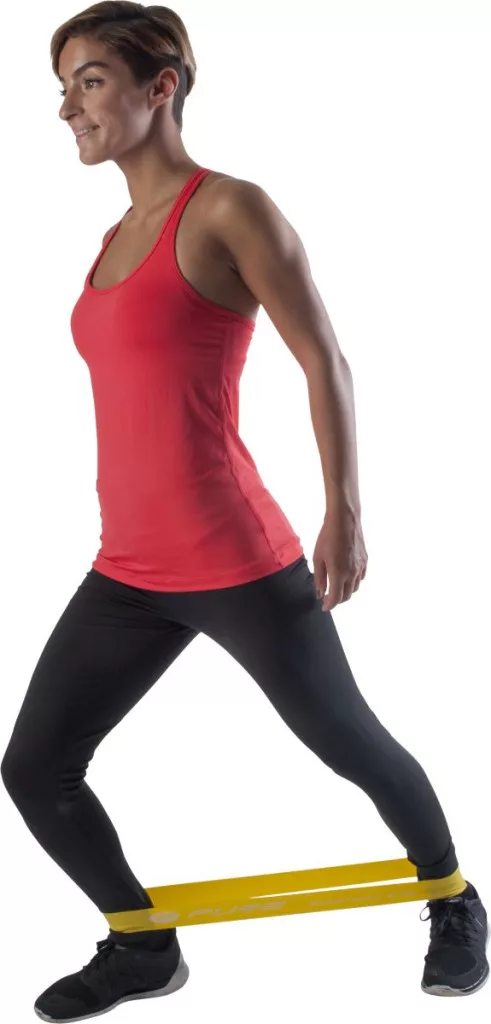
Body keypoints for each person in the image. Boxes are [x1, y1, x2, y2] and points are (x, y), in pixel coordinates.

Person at [2, 3, 488, 1021]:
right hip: (127, 567)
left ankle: (452, 898)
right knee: (36, 767)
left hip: (233, 555)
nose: (67, 107)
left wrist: (342, 510)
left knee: (348, 741)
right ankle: (141, 946)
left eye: (89, 81)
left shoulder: (228, 208)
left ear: (160, 86)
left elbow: (324, 358)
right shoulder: (112, 236)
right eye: (64, 86)